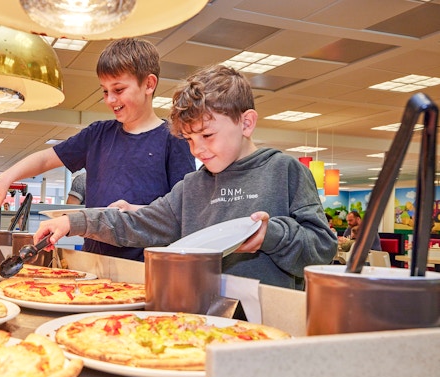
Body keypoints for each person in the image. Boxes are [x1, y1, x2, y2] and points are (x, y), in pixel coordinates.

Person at [33, 65, 337, 290]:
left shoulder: (285, 171)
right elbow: (136, 223)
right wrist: (73, 222)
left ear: (246, 123)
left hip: (268, 322)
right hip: (200, 315)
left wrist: (272, 235)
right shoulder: (192, 186)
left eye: (207, 135)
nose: (198, 149)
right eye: (190, 139)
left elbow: (322, 251)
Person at [0, 38, 195, 261]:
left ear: (148, 84)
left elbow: (180, 211)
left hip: (145, 263)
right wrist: (5, 178)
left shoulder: (174, 139)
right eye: (105, 91)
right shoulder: (97, 134)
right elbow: (45, 159)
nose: (110, 99)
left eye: (119, 89)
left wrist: (133, 209)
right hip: (94, 259)